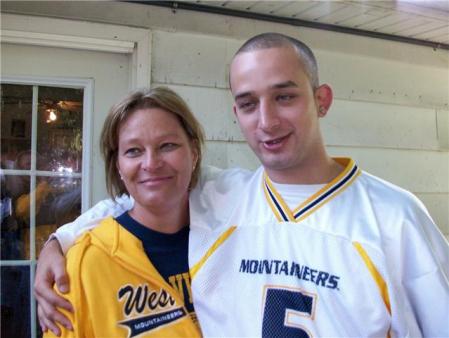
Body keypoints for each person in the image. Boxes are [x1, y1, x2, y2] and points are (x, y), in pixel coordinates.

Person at [36, 33, 449, 337]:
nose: (266, 121)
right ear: (236, 113)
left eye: (284, 97)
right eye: (249, 104)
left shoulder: (396, 219)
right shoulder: (224, 199)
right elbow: (142, 196)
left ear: (321, 99)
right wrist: (60, 239)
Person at [41, 87, 203, 337]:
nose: (151, 163)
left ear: (193, 152)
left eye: (167, 145)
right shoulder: (86, 263)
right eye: (133, 151)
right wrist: (54, 243)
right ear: (118, 165)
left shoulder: (230, 239)